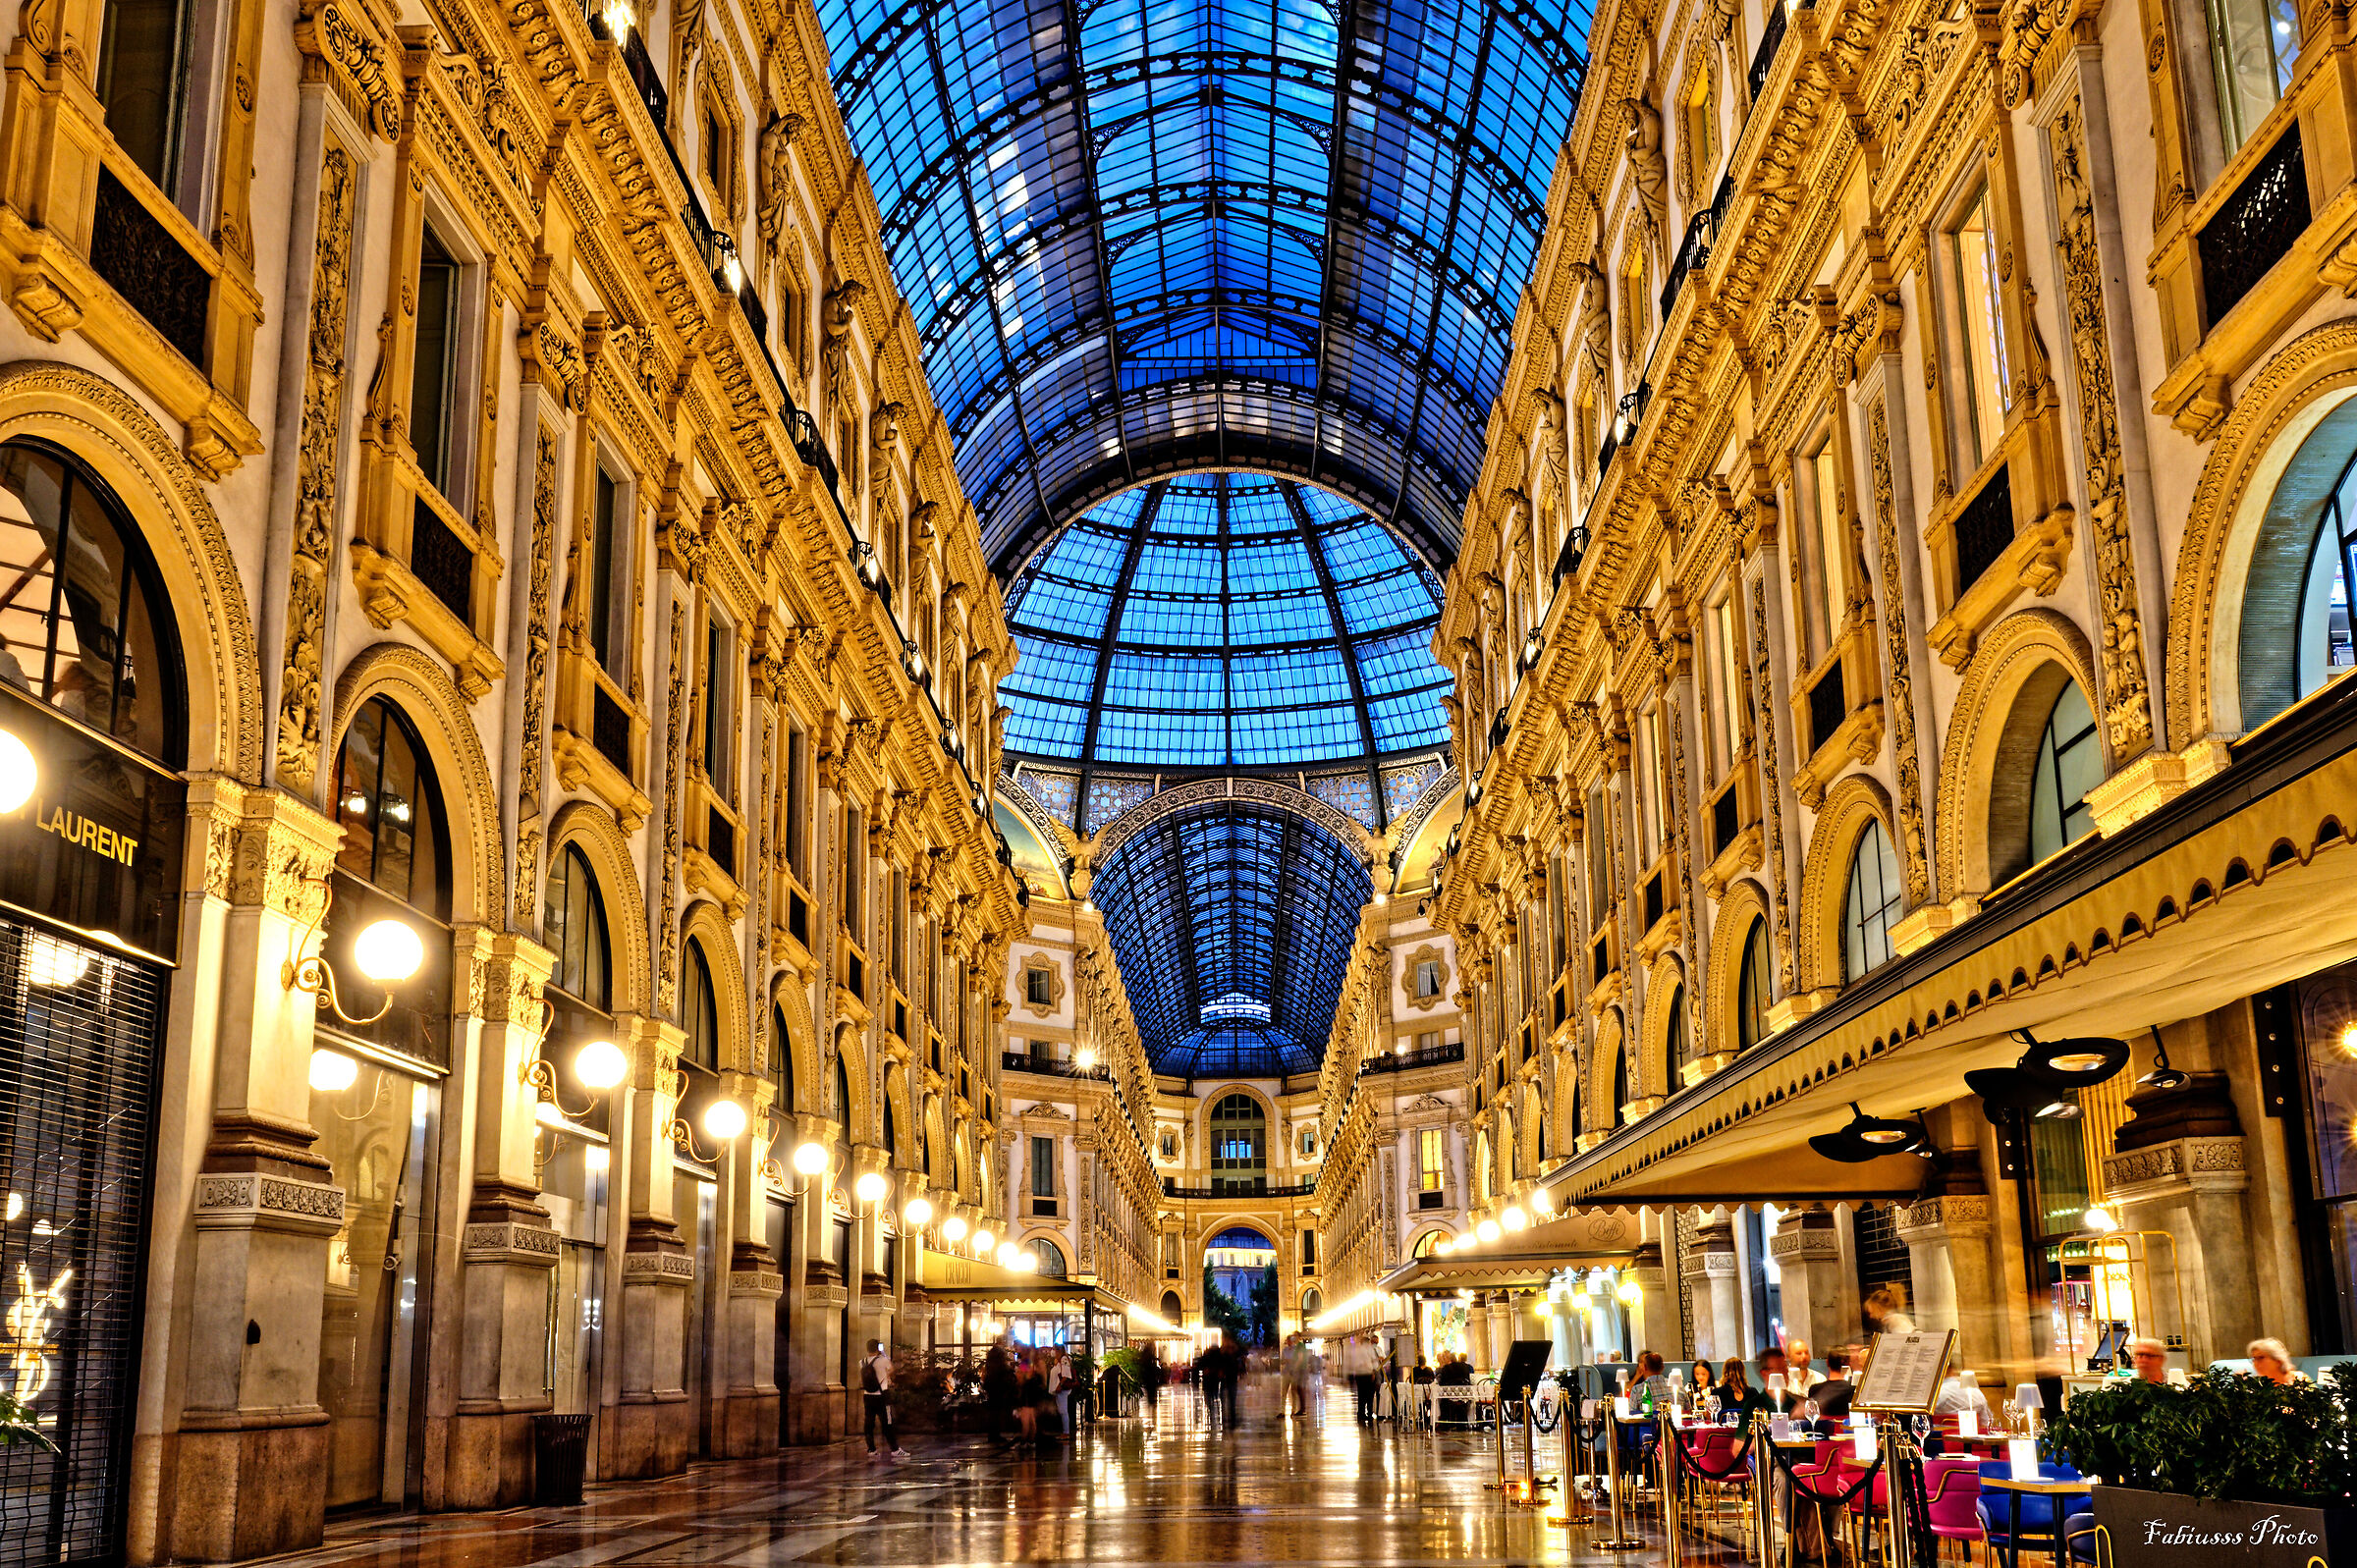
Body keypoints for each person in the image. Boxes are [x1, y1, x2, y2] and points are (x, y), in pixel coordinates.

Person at [860, 1339, 905, 1462]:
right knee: (887, 1422)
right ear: (878, 1348)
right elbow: (891, 1370)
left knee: (869, 1423)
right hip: (882, 1395)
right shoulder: (883, 1360)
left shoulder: (862, 1362)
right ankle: (895, 1449)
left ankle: (871, 1449)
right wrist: (884, 1354)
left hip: (867, 1395)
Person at [1808, 1348, 1855, 1426]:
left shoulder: (1814, 1389)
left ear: (1827, 1362)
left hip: (1825, 1432)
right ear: (1848, 1365)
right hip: (1848, 1431)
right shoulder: (1854, 1390)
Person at [984, 1339, 1017, 1443]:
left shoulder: (991, 1361)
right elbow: (1006, 1372)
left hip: (992, 1388)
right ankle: (996, 1435)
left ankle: (993, 1434)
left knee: (993, 1413)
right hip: (999, 1389)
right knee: (997, 1413)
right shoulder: (1000, 1363)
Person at [1343, 1333, 1378, 1425]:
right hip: (1368, 1374)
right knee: (1369, 1395)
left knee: (1361, 1395)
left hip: (1359, 1375)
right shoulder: (1369, 1349)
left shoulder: (1356, 1350)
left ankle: (1361, 1414)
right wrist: (1373, 1372)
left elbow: (1352, 1363)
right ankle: (1369, 1413)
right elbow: (1374, 1362)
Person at [1046, 1346, 1075, 1437]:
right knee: (1061, 1410)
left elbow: (1066, 1375)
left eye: (1054, 1349)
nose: (1052, 1351)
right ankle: (1064, 1432)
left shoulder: (1064, 1359)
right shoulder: (1058, 1361)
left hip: (1061, 1390)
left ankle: (1066, 1432)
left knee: (1063, 1411)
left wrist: (1060, 1385)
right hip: (1058, 1390)